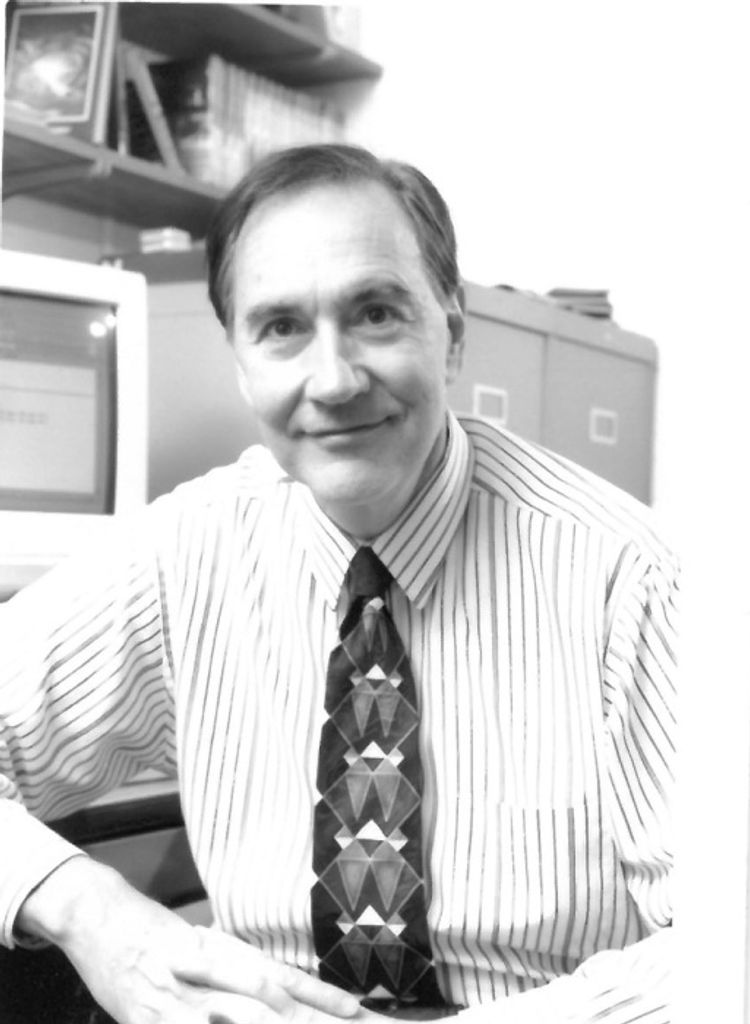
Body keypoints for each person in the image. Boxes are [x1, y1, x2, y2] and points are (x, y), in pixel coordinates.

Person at [0, 143, 678, 1024]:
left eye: (376, 314)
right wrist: (90, 910)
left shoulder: (628, 576)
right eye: (282, 327)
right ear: (241, 362)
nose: (333, 379)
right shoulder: (186, 552)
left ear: (452, 333)